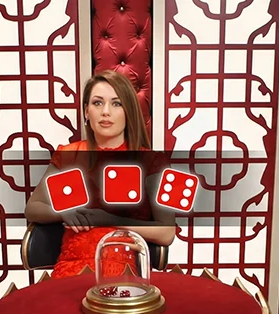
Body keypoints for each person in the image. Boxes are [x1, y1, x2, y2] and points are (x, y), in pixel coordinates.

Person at [25, 71, 176, 278]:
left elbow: (166, 233)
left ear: (128, 111)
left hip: (122, 267)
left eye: (116, 103)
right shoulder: (70, 155)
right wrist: (63, 212)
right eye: (97, 103)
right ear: (86, 111)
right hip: (71, 266)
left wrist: (107, 219)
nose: (106, 112)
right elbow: (33, 208)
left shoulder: (151, 161)